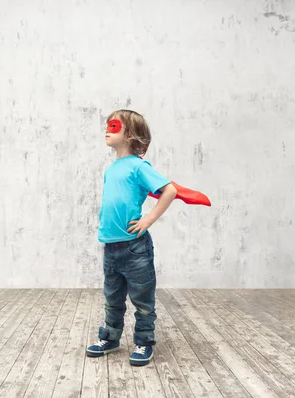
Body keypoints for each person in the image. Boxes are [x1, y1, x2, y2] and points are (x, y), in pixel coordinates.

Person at [85, 109, 177, 366]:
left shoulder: (138, 166)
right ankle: (110, 338)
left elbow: (169, 190)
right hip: (111, 247)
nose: (107, 130)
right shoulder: (112, 169)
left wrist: (148, 220)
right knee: (112, 298)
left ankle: (144, 342)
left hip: (135, 248)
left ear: (130, 135)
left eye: (113, 126)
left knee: (142, 300)